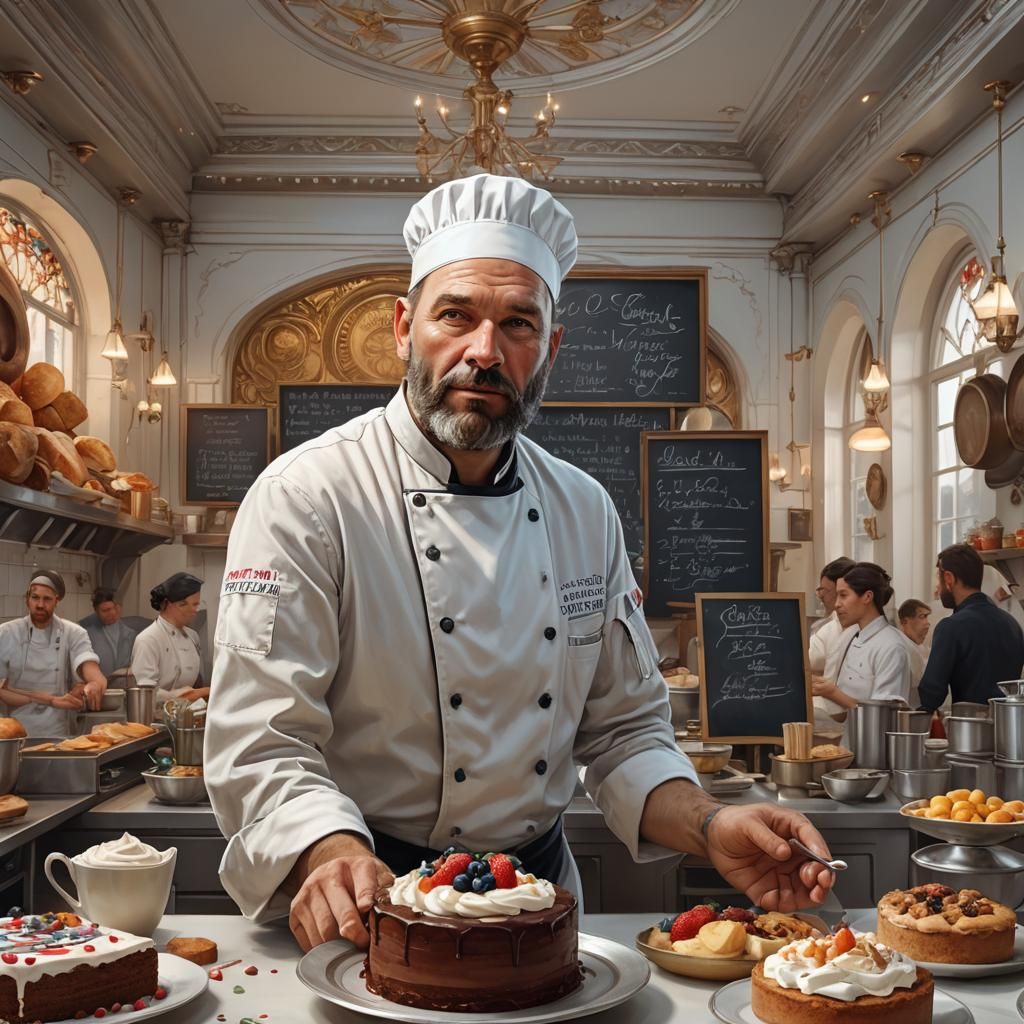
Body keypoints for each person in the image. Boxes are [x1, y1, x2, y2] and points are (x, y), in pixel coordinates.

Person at [205, 173, 835, 954]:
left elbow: (625, 730)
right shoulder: (307, 495)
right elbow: (260, 738)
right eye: (456, 316)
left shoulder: (583, 507)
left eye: (518, 324)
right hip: (361, 905)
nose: (484, 352)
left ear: (551, 347)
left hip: (533, 904)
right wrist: (326, 850)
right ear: (404, 327)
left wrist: (710, 824)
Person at [918, 544, 1024, 710]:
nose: (937, 589)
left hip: (971, 729)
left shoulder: (951, 627)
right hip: (1010, 727)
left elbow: (931, 694)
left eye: (938, 580)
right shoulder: (1012, 624)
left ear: (949, 579)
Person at [0, 570, 107, 736]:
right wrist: (49, 699)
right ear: (27, 599)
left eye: (47, 599)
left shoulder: (73, 633)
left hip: (57, 733)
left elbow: (90, 667)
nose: (40, 604)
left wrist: (94, 684)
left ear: (57, 601)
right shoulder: (6, 633)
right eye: (35, 597)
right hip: (12, 733)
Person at [812, 562, 913, 718]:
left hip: (878, 740)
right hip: (850, 738)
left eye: (844, 595)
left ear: (867, 597)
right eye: (837, 595)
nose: (837, 604)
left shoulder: (891, 646)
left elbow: (884, 715)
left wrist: (832, 692)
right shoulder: (850, 638)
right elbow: (840, 712)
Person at [131, 573, 209, 705]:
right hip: (155, 717)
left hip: (184, 714)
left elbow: (195, 682)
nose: (196, 610)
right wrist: (199, 693)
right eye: (194, 604)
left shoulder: (193, 636)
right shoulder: (148, 640)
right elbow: (148, 694)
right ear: (177, 605)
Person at [808, 557, 856, 729]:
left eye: (825, 590)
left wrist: (829, 689)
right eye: (819, 589)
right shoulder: (832, 626)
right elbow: (809, 663)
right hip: (835, 711)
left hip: (843, 713)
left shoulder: (850, 628)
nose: (820, 595)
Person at [84, 589, 138, 678]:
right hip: (99, 685)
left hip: (124, 685)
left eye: (110, 609)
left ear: (116, 607)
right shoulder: (88, 635)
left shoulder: (131, 634)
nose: (110, 613)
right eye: (104, 611)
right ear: (96, 612)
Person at [896, 597, 931, 693]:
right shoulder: (900, 647)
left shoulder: (922, 649)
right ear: (904, 621)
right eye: (922, 616)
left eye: (927, 617)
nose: (927, 623)